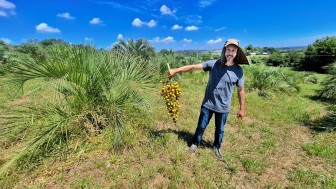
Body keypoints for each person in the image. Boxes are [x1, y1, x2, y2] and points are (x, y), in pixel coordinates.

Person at [168, 38, 249, 160]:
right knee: (201, 126)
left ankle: (217, 147)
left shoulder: (238, 71)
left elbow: (240, 90)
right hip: (208, 104)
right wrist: (176, 70)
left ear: (237, 53)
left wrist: (242, 109)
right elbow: (194, 67)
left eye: (233, 50)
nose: (230, 53)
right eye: (228, 50)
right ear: (224, 50)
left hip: (223, 107)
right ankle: (195, 143)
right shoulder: (214, 64)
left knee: (220, 130)